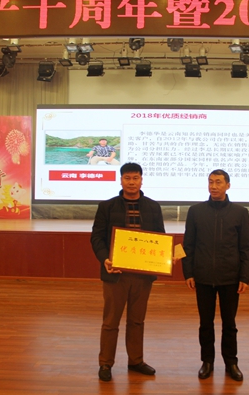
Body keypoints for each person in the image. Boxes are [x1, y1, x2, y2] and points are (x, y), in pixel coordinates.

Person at [90, 162, 165, 382]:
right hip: (115, 274)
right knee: (110, 321)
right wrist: (105, 259)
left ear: (141, 180)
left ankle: (136, 361)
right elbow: (97, 237)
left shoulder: (153, 207)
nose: (131, 182)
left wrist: (164, 260)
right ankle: (106, 363)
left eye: (135, 178)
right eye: (127, 178)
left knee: (137, 321)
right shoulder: (107, 206)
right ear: (120, 180)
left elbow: (160, 238)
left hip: (142, 275)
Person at [182, 169, 249, 382]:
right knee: (205, 323)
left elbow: (247, 247)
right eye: (211, 182)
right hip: (203, 276)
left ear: (228, 185)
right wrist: (188, 272)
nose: (213, 186)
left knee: (229, 323)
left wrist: (245, 276)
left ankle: (231, 362)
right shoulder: (195, 211)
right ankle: (207, 361)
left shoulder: (240, 212)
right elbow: (188, 245)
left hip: (230, 277)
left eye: (218, 182)